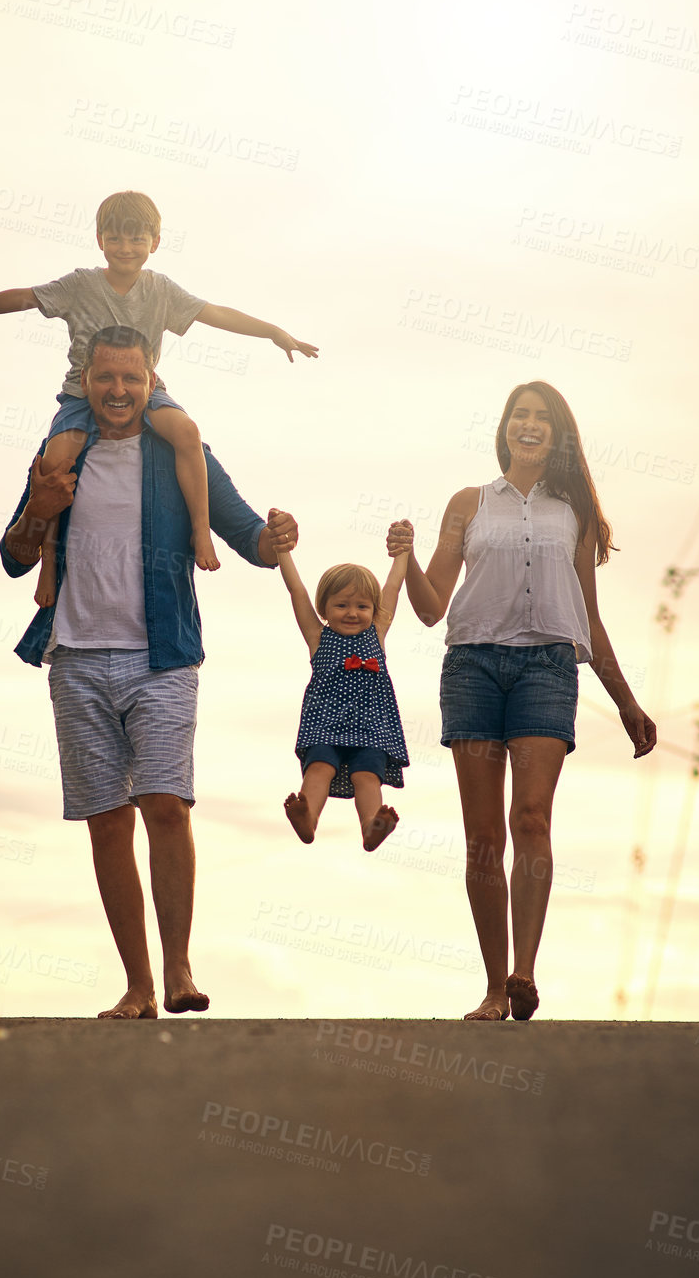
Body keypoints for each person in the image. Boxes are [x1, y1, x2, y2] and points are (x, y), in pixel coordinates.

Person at [0, 323, 298, 1021]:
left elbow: (244, 532)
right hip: (75, 656)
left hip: (161, 655)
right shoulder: (59, 454)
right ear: (86, 380)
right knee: (106, 822)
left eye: (131, 378)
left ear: (151, 376)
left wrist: (275, 535)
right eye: (104, 377)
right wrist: (36, 514)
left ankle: (178, 967)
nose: (117, 390)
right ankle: (137, 987)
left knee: (165, 803)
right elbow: (14, 555)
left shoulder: (176, 452)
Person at [388, 380, 655, 1022]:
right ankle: (492, 989)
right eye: (519, 416)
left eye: (541, 418)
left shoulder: (575, 513)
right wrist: (409, 555)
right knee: (483, 838)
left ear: (558, 434)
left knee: (530, 820)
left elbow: (588, 615)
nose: (528, 425)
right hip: (473, 667)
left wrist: (625, 701)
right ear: (504, 428)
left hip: (547, 667)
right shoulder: (469, 503)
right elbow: (429, 611)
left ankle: (523, 974)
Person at [0, 188, 315, 598]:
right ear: (99, 240)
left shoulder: (161, 291)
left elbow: (215, 313)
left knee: (186, 432)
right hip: (79, 396)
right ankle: (50, 563)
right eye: (115, 238)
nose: (125, 248)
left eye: (135, 238)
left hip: (152, 393)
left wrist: (273, 331)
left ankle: (202, 531)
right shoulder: (81, 285)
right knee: (56, 464)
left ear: (155, 242)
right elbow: (26, 297)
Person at [276, 546, 410, 852]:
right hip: (325, 722)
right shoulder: (318, 637)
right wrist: (282, 552)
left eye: (362, 606)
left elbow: (393, 586)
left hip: (371, 725)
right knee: (319, 768)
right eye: (341, 605)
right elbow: (296, 591)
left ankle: (371, 828)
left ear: (374, 610)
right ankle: (307, 817)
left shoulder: (377, 632)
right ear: (323, 609)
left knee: (367, 776)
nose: (352, 613)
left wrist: (402, 553)